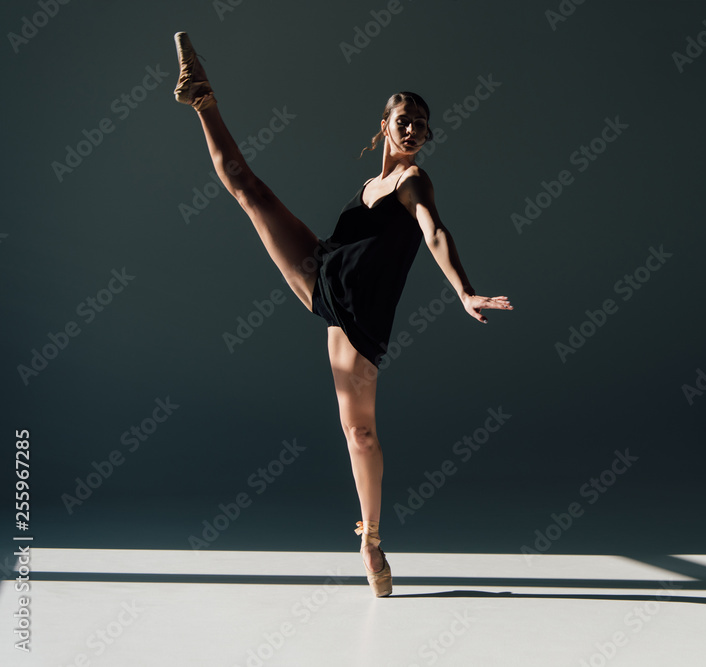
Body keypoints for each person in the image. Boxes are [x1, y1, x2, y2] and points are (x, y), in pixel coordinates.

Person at [172, 32, 513, 597]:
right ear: (385, 126)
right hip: (322, 271)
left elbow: (433, 230)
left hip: (358, 315)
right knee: (247, 188)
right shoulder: (370, 183)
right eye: (404, 118)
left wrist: (463, 290)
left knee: (358, 431)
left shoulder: (412, 181)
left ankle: (371, 539)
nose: (412, 128)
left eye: (422, 124)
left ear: (426, 138)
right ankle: (202, 97)